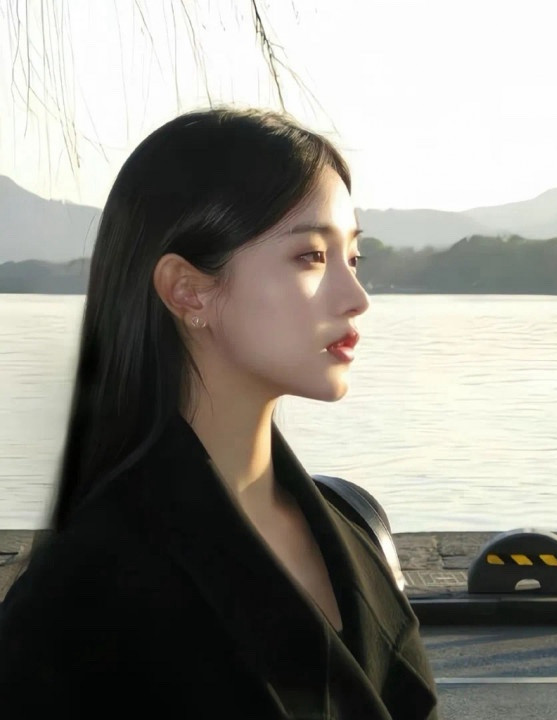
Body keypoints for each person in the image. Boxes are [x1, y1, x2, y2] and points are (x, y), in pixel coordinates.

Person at [0, 107, 440, 718]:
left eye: (354, 258)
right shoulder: (81, 592)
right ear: (188, 290)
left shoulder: (354, 530)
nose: (356, 297)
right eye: (312, 256)